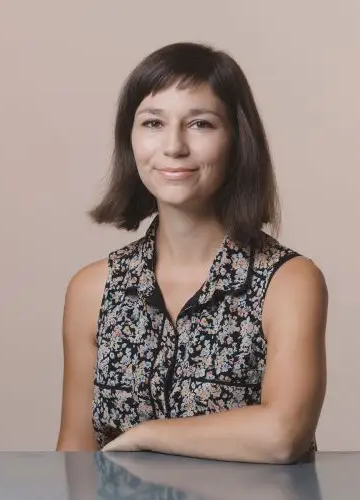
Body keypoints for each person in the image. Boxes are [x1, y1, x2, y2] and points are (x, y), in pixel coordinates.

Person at [55, 42, 328, 464]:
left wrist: (145, 435)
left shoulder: (289, 281)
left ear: (237, 139)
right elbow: (73, 458)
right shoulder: (92, 289)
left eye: (200, 124)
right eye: (152, 123)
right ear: (129, 139)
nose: (174, 146)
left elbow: (283, 434)